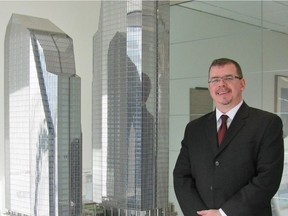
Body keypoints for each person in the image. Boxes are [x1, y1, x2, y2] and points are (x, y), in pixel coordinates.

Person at [173, 58, 284, 216]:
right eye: (215, 80)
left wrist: (224, 213)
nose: (221, 85)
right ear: (210, 86)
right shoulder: (194, 129)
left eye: (228, 78)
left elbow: (268, 179)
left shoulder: (267, 124)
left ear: (242, 83)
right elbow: (181, 176)